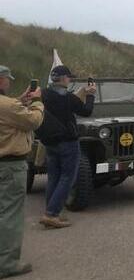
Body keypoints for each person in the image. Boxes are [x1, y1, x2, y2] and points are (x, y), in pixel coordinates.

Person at [0, 65, 43, 279]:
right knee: (10, 215)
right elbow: (33, 121)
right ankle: (7, 264)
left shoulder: (9, 105)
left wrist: (20, 100)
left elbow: (9, 111)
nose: (9, 82)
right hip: (10, 165)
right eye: (7, 78)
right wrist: (37, 102)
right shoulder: (7, 105)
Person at [39, 64, 95, 228]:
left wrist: (82, 91)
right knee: (67, 178)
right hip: (68, 142)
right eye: (69, 77)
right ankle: (51, 214)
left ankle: (51, 211)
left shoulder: (43, 94)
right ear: (63, 79)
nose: (69, 80)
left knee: (53, 178)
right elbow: (86, 111)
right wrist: (91, 95)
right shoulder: (68, 98)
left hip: (49, 142)